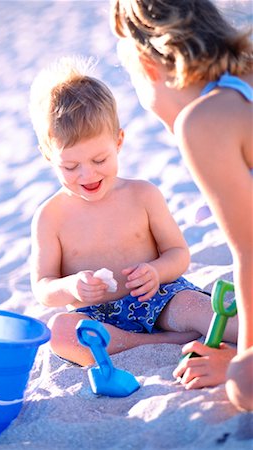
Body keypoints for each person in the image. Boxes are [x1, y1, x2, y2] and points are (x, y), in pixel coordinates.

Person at [29, 56, 237, 368]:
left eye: (99, 159)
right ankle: (154, 342)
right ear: (48, 155)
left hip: (159, 298)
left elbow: (178, 253)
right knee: (61, 333)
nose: (87, 175)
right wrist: (71, 286)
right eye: (71, 166)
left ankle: (241, 332)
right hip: (97, 315)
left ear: (118, 141)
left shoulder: (143, 195)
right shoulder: (50, 216)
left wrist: (156, 272)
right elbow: (43, 287)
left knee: (195, 306)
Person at [110, 0, 252, 410]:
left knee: (243, 387)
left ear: (148, 65)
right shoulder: (245, 81)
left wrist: (244, 360)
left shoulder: (203, 122)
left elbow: (249, 252)